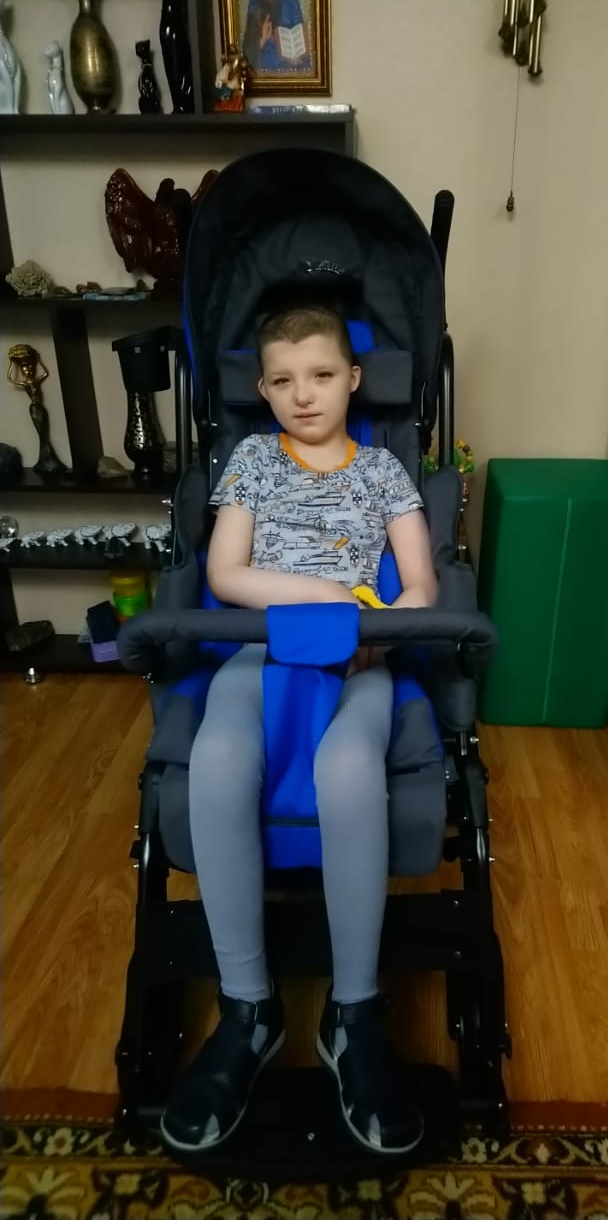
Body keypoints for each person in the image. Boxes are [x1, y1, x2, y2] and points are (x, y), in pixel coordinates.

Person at [160, 304, 438, 1157]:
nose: (302, 394)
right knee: (217, 759)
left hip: (357, 659)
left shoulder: (384, 471)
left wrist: (375, 629)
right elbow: (226, 572)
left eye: (320, 375)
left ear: (353, 378)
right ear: (262, 388)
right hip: (262, 647)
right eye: (281, 380)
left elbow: (421, 587)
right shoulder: (251, 460)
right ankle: (249, 1007)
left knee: (349, 770)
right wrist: (319, 597)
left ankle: (353, 1014)